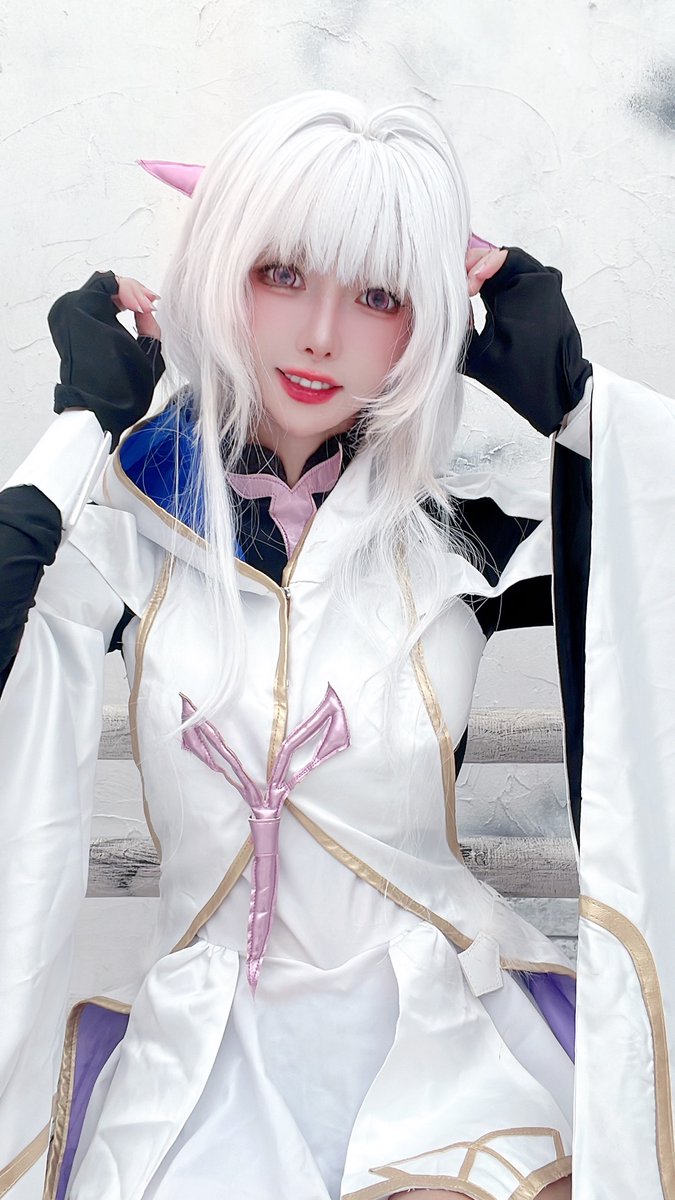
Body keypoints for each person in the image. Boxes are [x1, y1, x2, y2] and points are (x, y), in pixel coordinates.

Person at [0, 91, 673, 1200]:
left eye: (377, 294)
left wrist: (583, 412)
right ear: (218, 276)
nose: (321, 334)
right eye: (282, 274)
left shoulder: (466, 547)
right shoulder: (123, 542)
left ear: (428, 324)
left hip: (442, 1038)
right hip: (206, 1055)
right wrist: (82, 428)